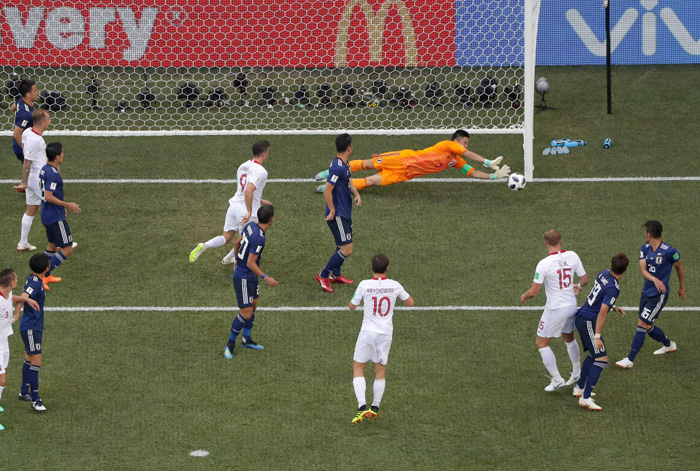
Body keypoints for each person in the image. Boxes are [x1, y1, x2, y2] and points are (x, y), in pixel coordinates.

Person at [314, 130, 509, 192]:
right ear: (457, 141)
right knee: (367, 164)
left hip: (406, 173)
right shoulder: (448, 145)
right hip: (403, 159)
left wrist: (493, 176)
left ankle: (331, 187)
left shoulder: (455, 161)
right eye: (464, 143)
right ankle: (329, 173)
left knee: (371, 181)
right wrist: (487, 161)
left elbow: (472, 172)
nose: (465, 146)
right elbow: (469, 154)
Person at [520, 230, 589, 392]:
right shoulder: (572, 255)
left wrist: (524, 296)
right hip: (571, 305)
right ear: (561, 242)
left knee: (541, 343)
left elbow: (533, 292)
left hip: (556, 308)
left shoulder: (544, 263)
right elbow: (585, 280)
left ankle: (557, 379)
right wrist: (578, 286)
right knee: (569, 338)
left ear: (546, 243)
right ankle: (577, 373)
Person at [349, 254, 414, 424]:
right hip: (385, 333)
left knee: (358, 367)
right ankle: (375, 407)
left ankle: (362, 407)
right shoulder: (395, 285)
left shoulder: (364, 284)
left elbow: (352, 306)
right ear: (387, 268)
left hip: (367, 332)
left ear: (371, 267)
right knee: (380, 370)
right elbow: (410, 302)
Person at [616, 220, 685, 369]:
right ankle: (669, 344)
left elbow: (679, 267)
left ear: (649, 233)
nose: (644, 235)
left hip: (659, 295)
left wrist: (681, 287)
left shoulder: (670, 251)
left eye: (645, 232)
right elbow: (643, 269)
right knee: (647, 325)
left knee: (642, 323)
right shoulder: (645, 248)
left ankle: (629, 360)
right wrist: (654, 279)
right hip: (646, 292)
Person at [190, 141, 272, 265]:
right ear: (265, 153)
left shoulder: (243, 166)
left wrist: (260, 200)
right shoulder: (261, 171)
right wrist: (249, 211)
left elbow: (241, 188)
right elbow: (248, 189)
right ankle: (232, 259)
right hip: (245, 212)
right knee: (249, 240)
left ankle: (205, 245)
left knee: (226, 237)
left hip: (233, 207)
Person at [575, 253, 629, 411]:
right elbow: (602, 313)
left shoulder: (603, 273)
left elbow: (598, 296)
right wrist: (597, 337)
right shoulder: (614, 289)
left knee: (594, 355)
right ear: (625, 269)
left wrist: (613, 306)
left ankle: (579, 388)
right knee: (602, 359)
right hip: (588, 321)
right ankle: (585, 398)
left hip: (582, 317)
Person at [224, 205, 278, 359]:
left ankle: (246, 339)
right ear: (271, 219)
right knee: (246, 312)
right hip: (244, 276)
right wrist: (266, 278)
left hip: (250, 275)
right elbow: (250, 263)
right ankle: (230, 344)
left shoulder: (250, 226)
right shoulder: (259, 239)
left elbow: (237, 243)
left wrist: (236, 258)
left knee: (253, 305)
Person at [316, 133, 362, 293]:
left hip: (345, 211)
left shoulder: (343, 164)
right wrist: (333, 210)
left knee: (341, 245)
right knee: (347, 249)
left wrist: (356, 194)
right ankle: (323, 275)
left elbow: (348, 181)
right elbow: (327, 190)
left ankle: (335, 274)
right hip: (338, 215)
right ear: (349, 147)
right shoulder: (338, 167)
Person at [0, 268, 40, 429]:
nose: (17, 280)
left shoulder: (6, 293)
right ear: (11, 283)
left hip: (3, 341)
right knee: (2, 379)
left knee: (4, 372)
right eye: (16, 278)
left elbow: (13, 299)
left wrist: (24, 302)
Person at [39, 143, 81, 291]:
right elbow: (48, 196)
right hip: (55, 217)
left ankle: (46, 275)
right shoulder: (53, 174)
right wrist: (67, 205)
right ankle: (41, 275)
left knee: (52, 245)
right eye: (62, 153)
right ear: (57, 156)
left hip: (46, 213)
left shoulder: (45, 169)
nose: (63, 155)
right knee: (67, 249)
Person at [18, 254, 51, 412]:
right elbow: (23, 296)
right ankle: (35, 399)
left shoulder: (33, 279)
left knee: (29, 358)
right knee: (36, 361)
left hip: (32, 325)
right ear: (46, 268)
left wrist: (17, 312)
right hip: (31, 327)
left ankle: (24, 391)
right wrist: (28, 300)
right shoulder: (35, 283)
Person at [17, 109, 51, 252]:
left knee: (31, 209)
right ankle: (61, 242)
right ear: (42, 122)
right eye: (48, 119)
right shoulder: (35, 140)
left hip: (32, 179)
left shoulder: (27, 132)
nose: (50, 121)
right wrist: (24, 182)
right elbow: (27, 163)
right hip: (37, 179)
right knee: (54, 206)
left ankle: (23, 242)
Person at [10, 79, 39, 192]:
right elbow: (16, 134)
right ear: (28, 94)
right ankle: (27, 186)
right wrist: (25, 148)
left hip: (25, 142)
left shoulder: (21, 101)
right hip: (21, 145)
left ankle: (25, 184)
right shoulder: (26, 114)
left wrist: (17, 118)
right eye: (35, 90)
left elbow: (12, 108)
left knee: (31, 165)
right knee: (33, 166)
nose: (37, 93)